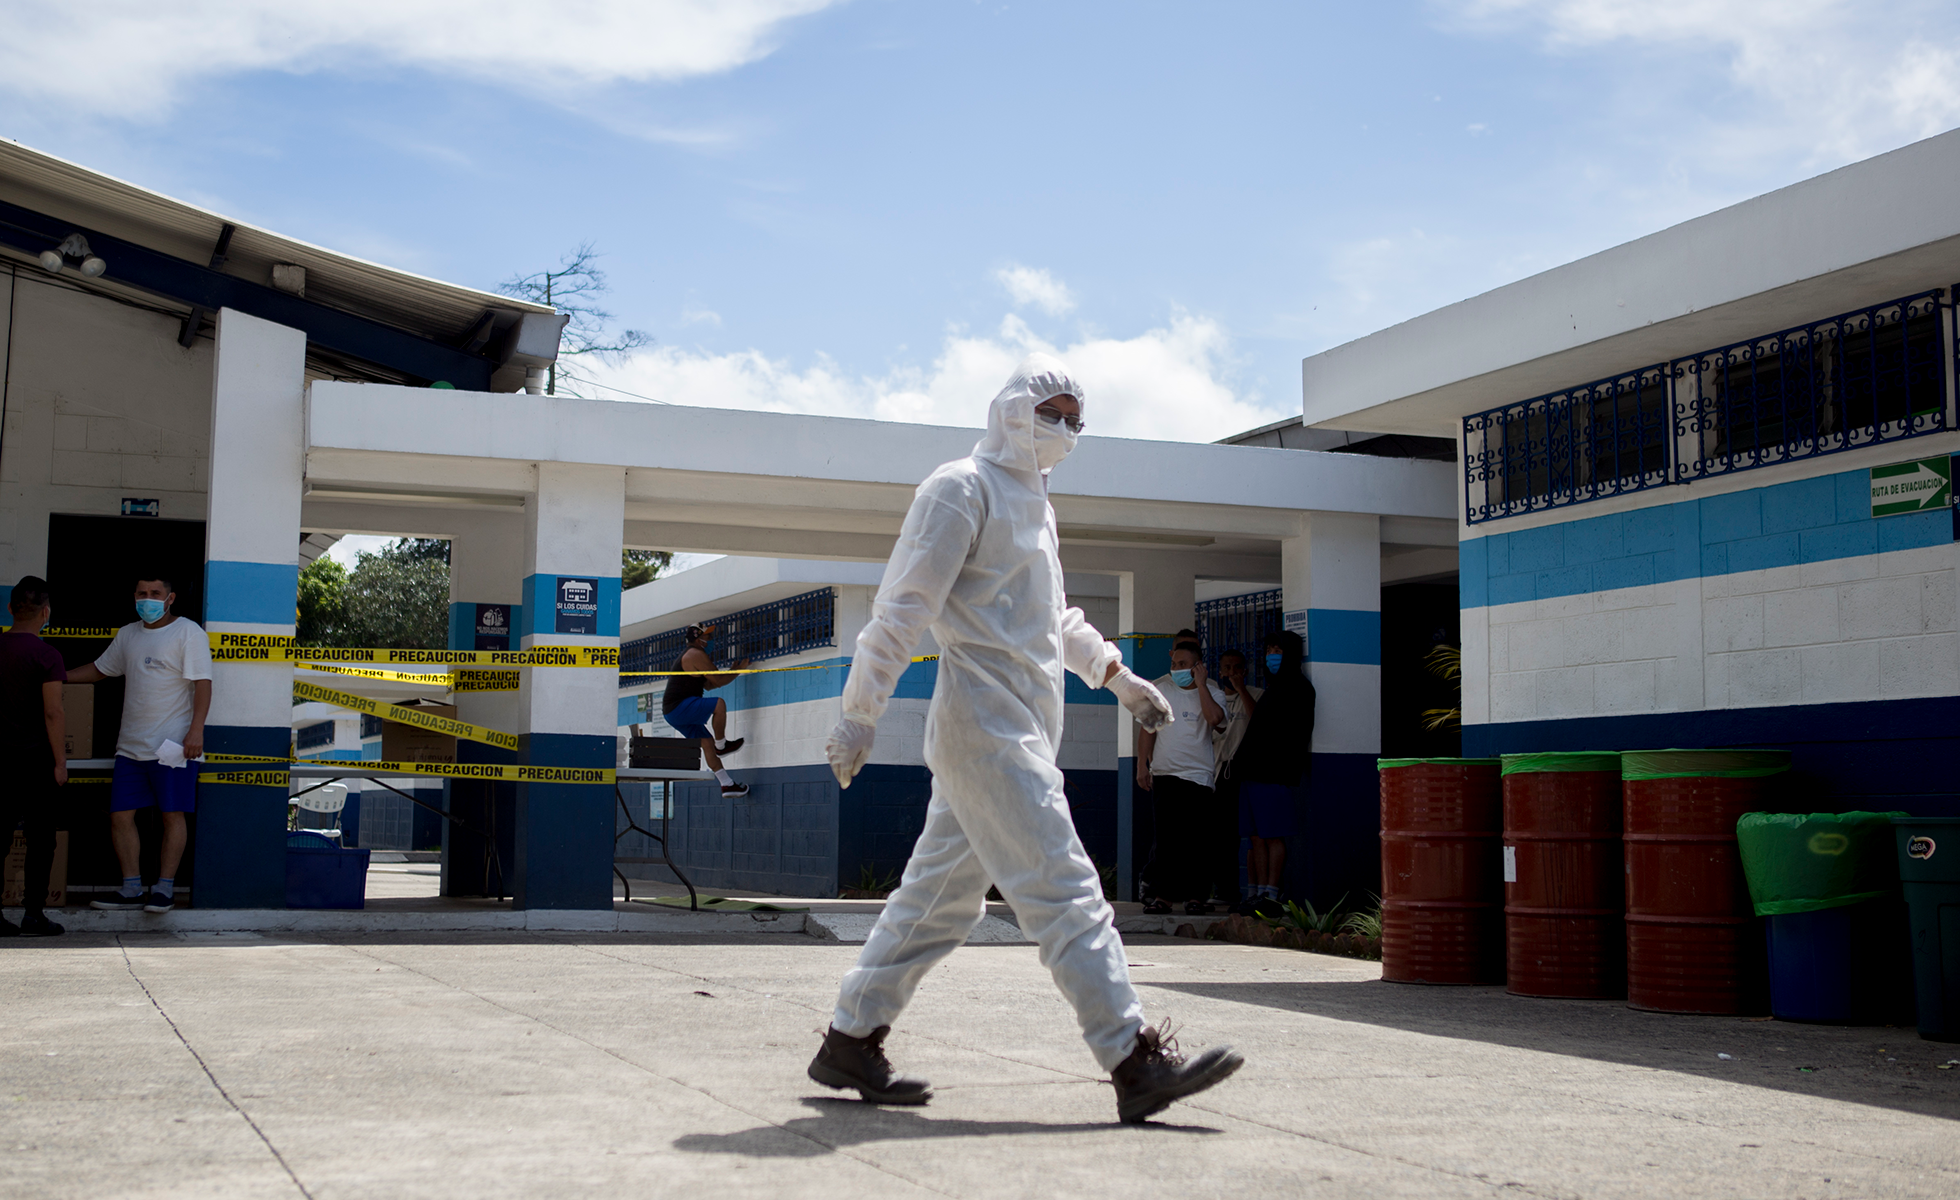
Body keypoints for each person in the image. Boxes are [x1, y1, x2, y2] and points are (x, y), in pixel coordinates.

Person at [811, 353, 1243, 1125]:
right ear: (1014, 410)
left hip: (1021, 731)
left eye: (1080, 420)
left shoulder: (1036, 505)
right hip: (984, 729)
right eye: (1056, 414)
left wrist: (1118, 678)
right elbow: (903, 608)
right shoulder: (960, 489)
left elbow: (1055, 622)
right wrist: (861, 711)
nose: (1068, 431)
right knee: (1065, 885)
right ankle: (1131, 1055)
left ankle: (850, 1037)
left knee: (941, 904)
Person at [67, 573, 212, 914]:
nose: (148, 599)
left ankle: (164, 890)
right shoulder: (128, 634)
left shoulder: (188, 632)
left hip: (174, 745)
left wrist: (196, 732)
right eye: (142, 593)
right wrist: (58, 675)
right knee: (120, 817)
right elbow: (101, 670)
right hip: (129, 747)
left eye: (155, 593)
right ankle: (131, 889)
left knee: (172, 816)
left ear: (170, 597)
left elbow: (203, 683)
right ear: (134, 596)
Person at [1135, 631, 1228, 916]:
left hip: (1199, 777)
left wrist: (1200, 686)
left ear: (1198, 666)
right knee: (1167, 841)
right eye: (1174, 664)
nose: (1176, 670)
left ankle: (1195, 897)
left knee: (1197, 841)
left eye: (1183, 664)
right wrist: (1142, 766)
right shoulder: (1159, 690)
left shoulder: (1213, 691)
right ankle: (1163, 897)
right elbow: (1148, 729)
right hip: (1165, 773)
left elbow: (1216, 720)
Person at [0, 577, 68, 936]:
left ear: (10, 609)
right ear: (45, 613)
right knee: (41, 839)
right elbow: (53, 713)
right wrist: (60, 762)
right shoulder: (47, 655)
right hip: (36, 762)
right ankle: (33, 914)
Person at [1230, 629, 1313, 916]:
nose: (1271, 656)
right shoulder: (1273, 687)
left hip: (1274, 773)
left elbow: (1291, 733)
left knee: (1273, 835)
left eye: (1277, 650)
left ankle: (1272, 894)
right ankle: (1255, 892)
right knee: (1254, 837)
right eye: (1268, 651)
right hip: (1252, 772)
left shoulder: (1299, 688)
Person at [663, 623, 751, 798]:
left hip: (672, 713)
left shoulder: (690, 657)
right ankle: (722, 745)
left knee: (706, 743)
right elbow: (718, 681)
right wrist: (737, 671)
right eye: (708, 637)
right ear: (698, 639)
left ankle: (727, 784)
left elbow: (710, 685)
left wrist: (734, 672)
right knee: (719, 704)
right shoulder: (695, 655)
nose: (711, 640)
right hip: (679, 707)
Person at [1209, 647, 1261, 910]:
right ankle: (1224, 888)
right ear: (1219, 671)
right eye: (1227, 668)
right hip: (1216, 773)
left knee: (1249, 833)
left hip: (1243, 773)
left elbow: (1260, 723)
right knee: (1221, 836)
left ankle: (1255, 891)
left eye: (1237, 668)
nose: (1232, 673)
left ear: (1245, 670)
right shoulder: (1213, 698)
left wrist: (1241, 690)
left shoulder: (1256, 695)